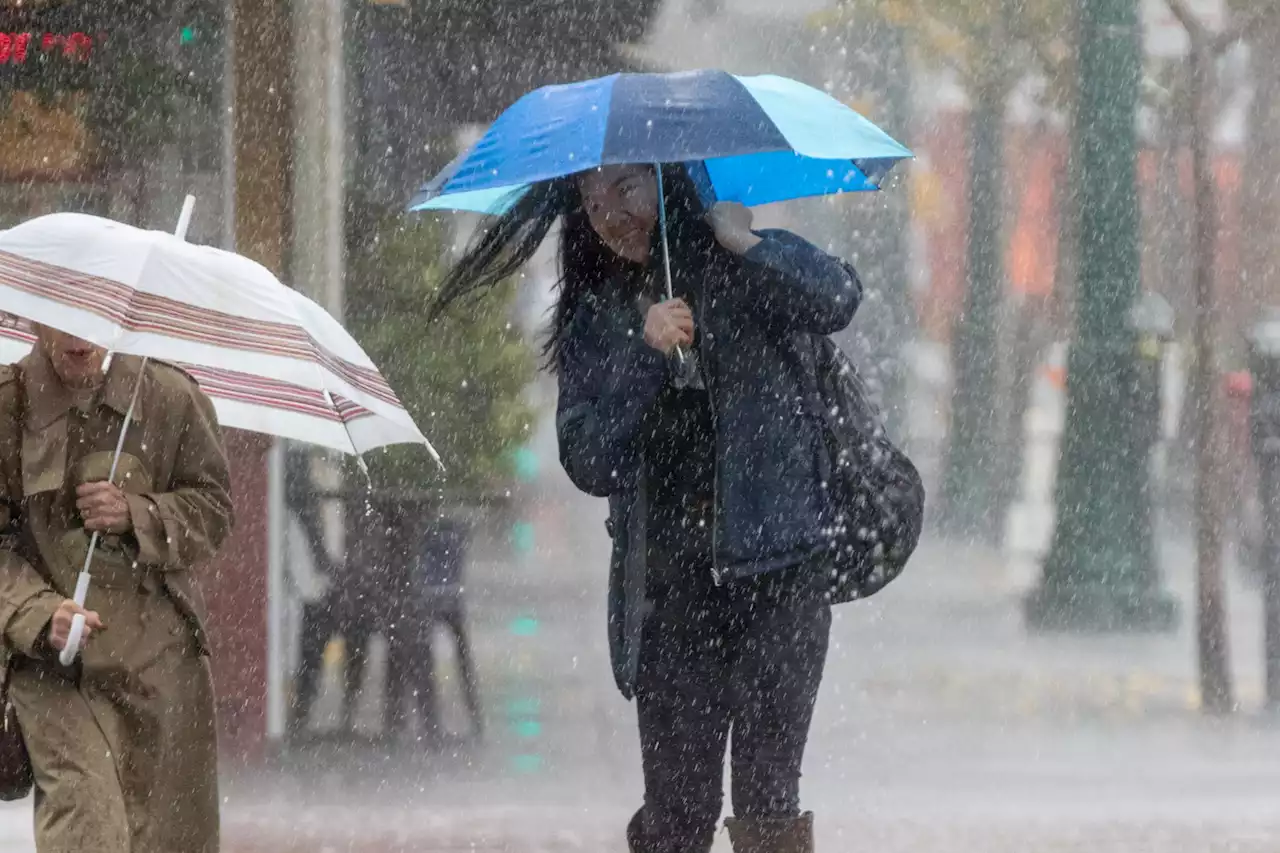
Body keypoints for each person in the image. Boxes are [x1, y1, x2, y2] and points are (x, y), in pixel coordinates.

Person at [431, 164, 861, 853]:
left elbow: (839, 296)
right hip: (671, 592)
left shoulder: (739, 266)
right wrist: (646, 353)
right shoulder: (596, 314)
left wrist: (750, 246)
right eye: (592, 198)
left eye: (628, 188)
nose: (610, 212)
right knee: (678, 812)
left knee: (769, 800)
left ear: (670, 185)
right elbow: (589, 459)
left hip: (779, 572)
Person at [0, 327, 233, 852]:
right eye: (64, 316)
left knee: (170, 836)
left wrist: (140, 512)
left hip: (159, 661)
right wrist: (39, 613)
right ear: (38, 322)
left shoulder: (171, 398)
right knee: (90, 827)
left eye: (94, 317)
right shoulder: (7, 407)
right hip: (55, 667)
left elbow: (215, 510)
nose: (80, 335)